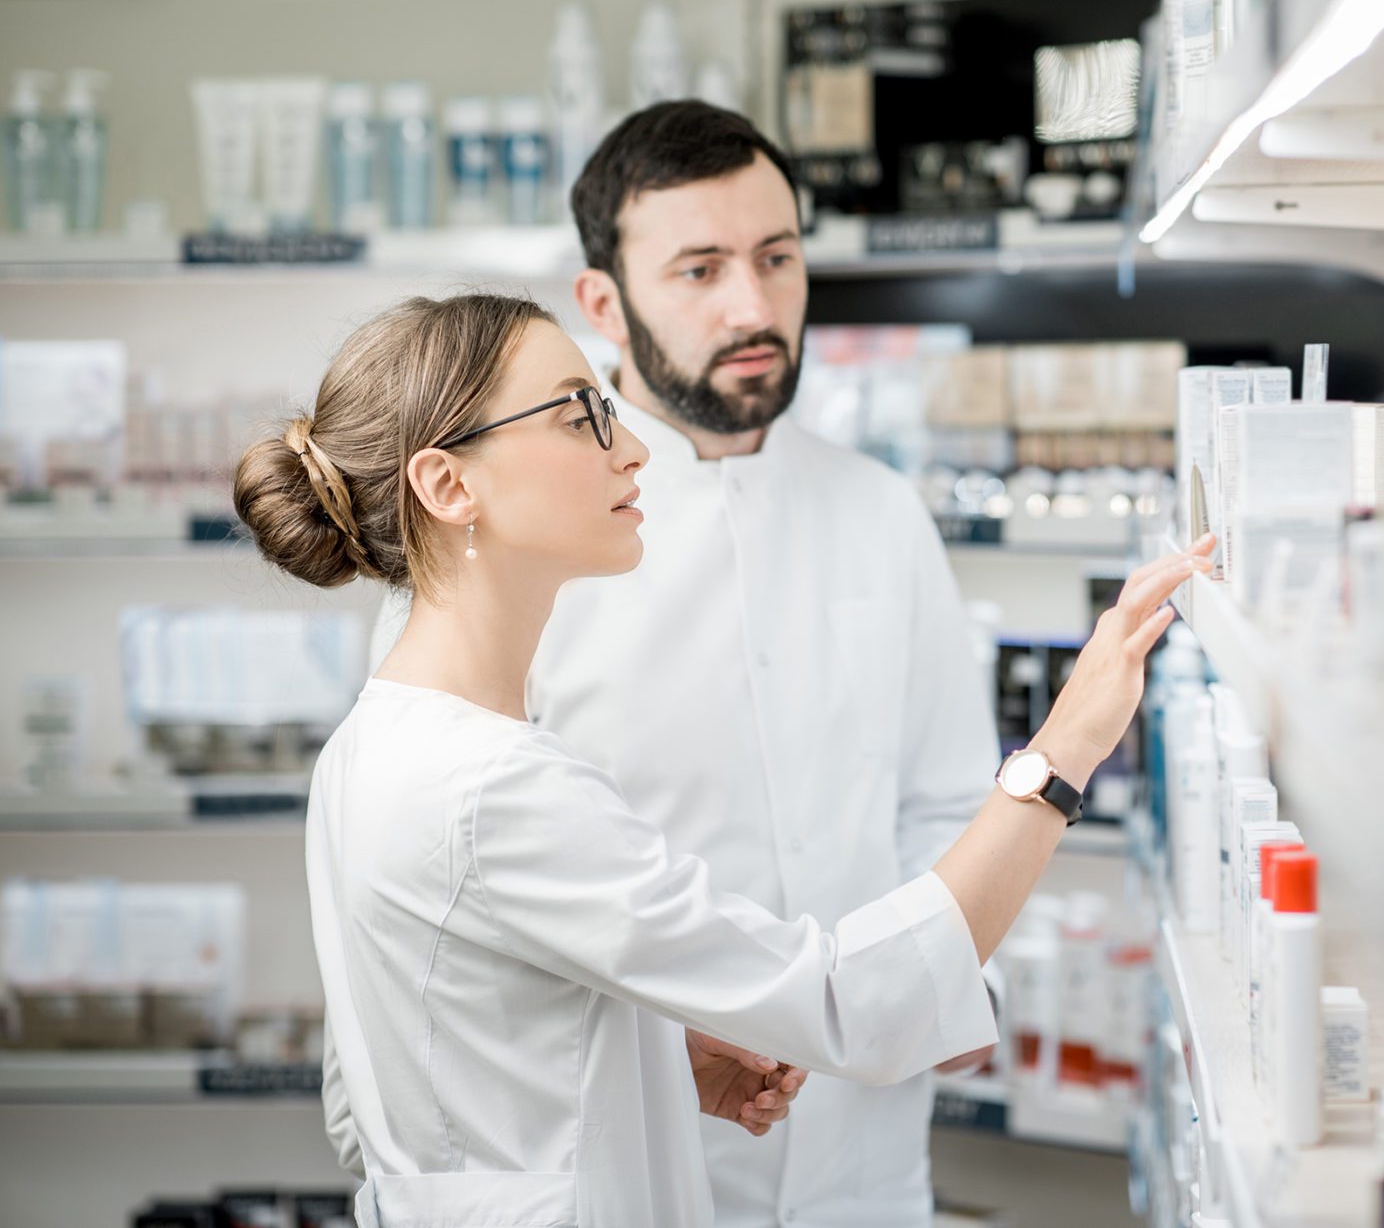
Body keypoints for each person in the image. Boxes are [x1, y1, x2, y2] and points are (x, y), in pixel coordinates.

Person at [234, 289, 1214, 1228]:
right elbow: (846, 1005)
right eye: (581, 418)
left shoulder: (374, 745)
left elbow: (396, 1081)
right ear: (449, 486)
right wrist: (1066, 745)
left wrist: (646, 1067)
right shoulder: (498, 788)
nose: (630, 451)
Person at [372, 101, 1017, 1226]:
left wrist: (957, 995)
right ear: (603, 304)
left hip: (863, 1165)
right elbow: (438, 882)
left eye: (777, 258)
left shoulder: (881, 514)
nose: (753, 307)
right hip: (630, 1167)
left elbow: (944, 801)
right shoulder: (515, 536)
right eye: (700, 269)